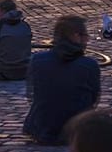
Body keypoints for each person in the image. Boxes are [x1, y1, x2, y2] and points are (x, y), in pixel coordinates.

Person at [23, 16, 101, 145]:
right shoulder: (89, 65)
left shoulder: (37, 60)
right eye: (86, 36)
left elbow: (31, 95)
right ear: (76, 36)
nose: (87, 40)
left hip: (42, 129)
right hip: (77, 130)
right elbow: (93, 99)